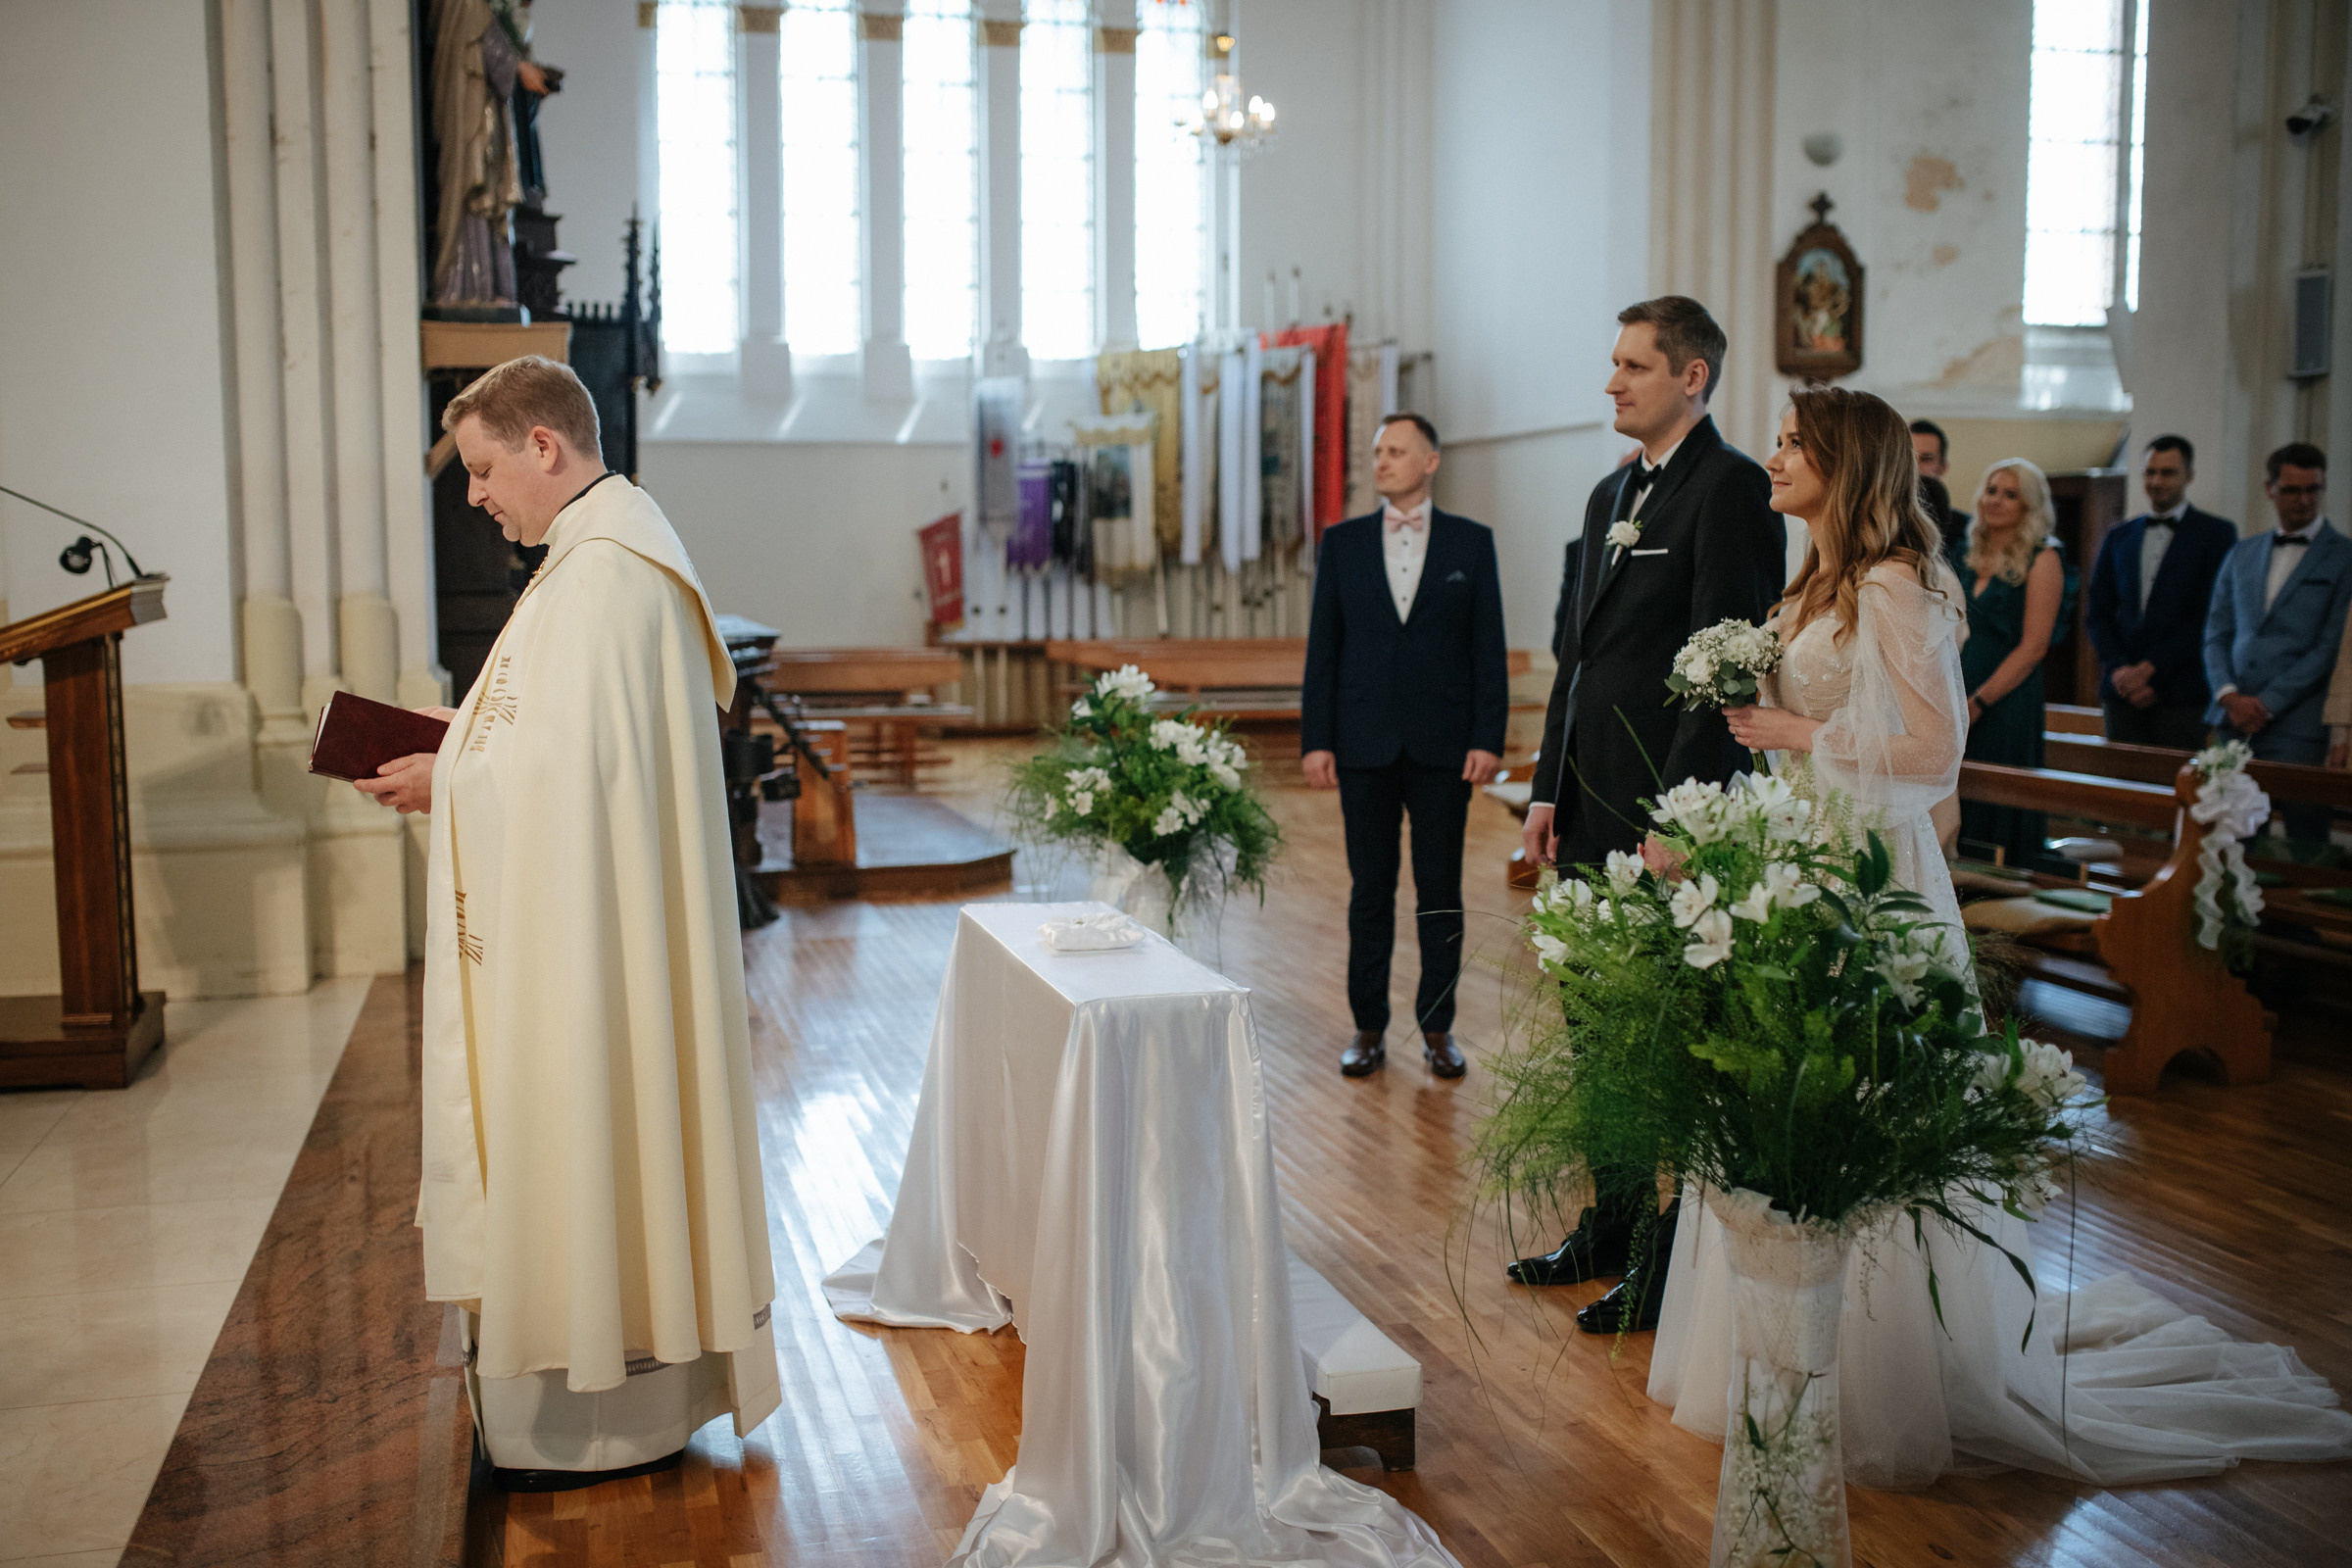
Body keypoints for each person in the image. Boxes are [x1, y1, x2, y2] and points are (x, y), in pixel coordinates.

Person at [1675, 387, 2352, 1491]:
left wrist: (1801, 730)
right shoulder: (1807, 581)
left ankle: (1891, 1364)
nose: (1774, 453)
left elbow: (1937, 749)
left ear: (1846, 464)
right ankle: (1789, 1346)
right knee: (1787, 1099)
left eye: (1794, 442)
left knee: (1866, 1105)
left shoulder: (1897, 583)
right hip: (1796, 865)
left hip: (1871, 874)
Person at [355, 357, 780, 1487]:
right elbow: (547, 739)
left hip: (591, 956)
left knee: (591, 1129)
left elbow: (558, 772)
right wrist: (453, 743)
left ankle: (596, 1407)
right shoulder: (596, 559)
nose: (477, 497)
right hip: (594, 932)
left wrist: (450, 774)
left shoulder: (601, 577)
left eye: (487, 469)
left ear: (545, 447)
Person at [1508, 297, 1785, 1327]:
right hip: (1583, 809)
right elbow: (1578, 659)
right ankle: (1613, 1221)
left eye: (1633, 365)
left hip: (1669, 825)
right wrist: (1545, 786)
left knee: (1668, 1048)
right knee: (1595, 1034)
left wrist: (1682, 816)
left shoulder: (1732, 490)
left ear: (1693, 376)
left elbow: (1729, 665)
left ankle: (1673, 1264)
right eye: (1614, 363)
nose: (1612, 381)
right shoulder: (1608, 493)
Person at [1301, 413, 1509, 1082]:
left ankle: (1439, 1027)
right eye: (1376, 452)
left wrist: (1487, 736)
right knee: (1370, 889)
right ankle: (1367, 1027)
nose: (1381, 461)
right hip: (1361, 743)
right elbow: (1323, 652)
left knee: (1440, 891)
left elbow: (1488, 649)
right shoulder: (1342, 543)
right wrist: (1316, 740)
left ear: (1430, 461)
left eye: (1396, 451)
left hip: (1444, 746)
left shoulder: (1472, 545)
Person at [2204, 442, 2352, 842]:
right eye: (2292, 490)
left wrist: (2268, 704)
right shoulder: (2243, 552)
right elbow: (2216, 633)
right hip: (2234, 721)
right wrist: (2230, 695)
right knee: (2230, 840)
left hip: (2299, 724)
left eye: (2313, 490)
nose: (2303, 500)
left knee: (2306, 840)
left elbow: (2331, 647)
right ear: (2270, 489)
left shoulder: (2344, 557)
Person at [1949, 459, 2071, 869]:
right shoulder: (1966, 554)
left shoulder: (2043, 559)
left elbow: (2034, 647)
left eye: (2011, 494)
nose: (1996, 501)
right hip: (1956, 691)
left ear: (2029, 506)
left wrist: (1978, 703)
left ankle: (2003, 894)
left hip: (2006, 701)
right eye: (1992, 490)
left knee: (1996, 798)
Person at [2084, 435, 2235, 750]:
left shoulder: (2216, 535)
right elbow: (2098, 612)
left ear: (2189, 475)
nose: (2156, 481)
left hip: (2180, 694)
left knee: (2175, 791)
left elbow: (2209, 616)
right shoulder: (2119, 536)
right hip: (2121, 693)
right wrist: (2120, 670)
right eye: (2150, 472)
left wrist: (2151, 670)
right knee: (2119, 789)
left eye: (2168, 473)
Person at [1910, 418, 1969, 547]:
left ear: (1943, 467)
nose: (1915, 467)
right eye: (1909, 458)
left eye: (1926, 459)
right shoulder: (1881, 522)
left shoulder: (1966, 529)